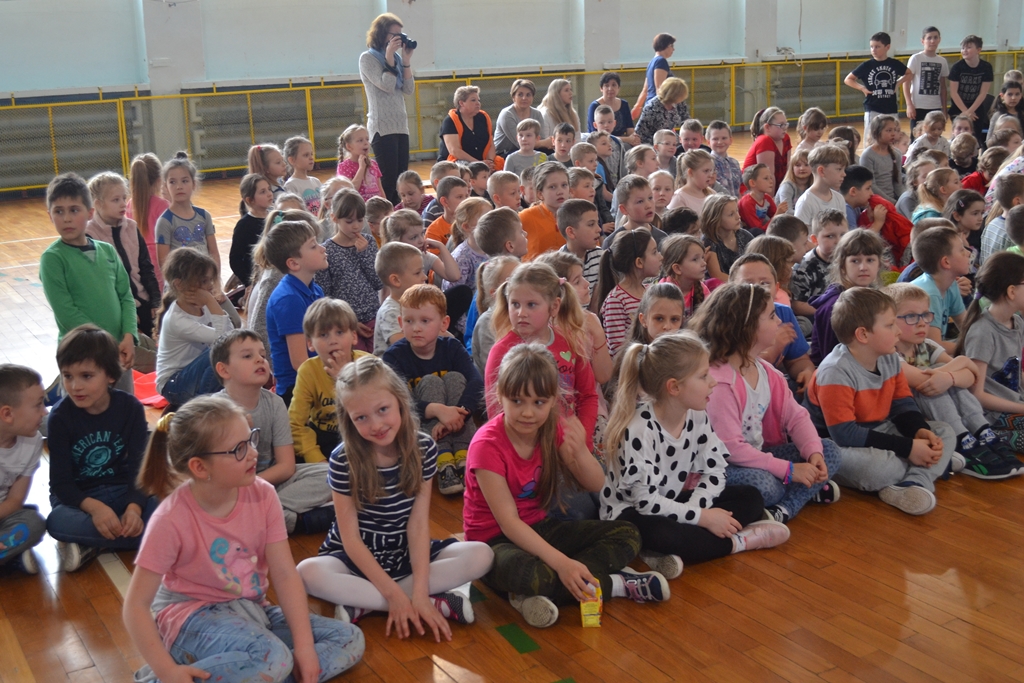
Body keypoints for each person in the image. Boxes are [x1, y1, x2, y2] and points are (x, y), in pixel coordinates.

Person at [125, 395, 364, 683]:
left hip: (252, 611)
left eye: (251, 439)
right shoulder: (170, 518)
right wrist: (168, 672)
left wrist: (304, 648)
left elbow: (285, 574)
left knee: (348, 638)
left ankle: (255, 673)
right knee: (272, 658)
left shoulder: (263, 494)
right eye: (239, 449)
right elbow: (135, 607)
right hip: (191, 618)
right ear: (200, 467)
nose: (253, 453)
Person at [466, 343, 667, 629]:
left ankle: (544, 590)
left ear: (553, 400)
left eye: (538, 402)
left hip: (540, 527)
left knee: (628, 534)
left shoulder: (553, 428)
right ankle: (615, 584)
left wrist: (581, 453)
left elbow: (598, 484)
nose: (527, 413)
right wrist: (562, 563)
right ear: (500, 395)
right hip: (493, 541)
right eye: (517, 401)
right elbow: (509, 524)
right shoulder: (487, 445)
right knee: (531, 574)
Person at [293, 354, 492, 630]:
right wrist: (396, 596)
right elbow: (350, 540)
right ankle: (429, 603)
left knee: (482, 555)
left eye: (383, 410)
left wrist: (419, 590)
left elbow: (418, 525)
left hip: (404, 548)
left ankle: (364, 603)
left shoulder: (424, 448)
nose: (376, 425)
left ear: (399, 401)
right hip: (355, 555)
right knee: (306, 572)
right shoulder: (342, 459)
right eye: (361, 417)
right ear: (349, 419)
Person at [602, 331, 790, 580]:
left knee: (751, 497)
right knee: (664, 533)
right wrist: (702, 518)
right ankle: (739, 542)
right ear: (674, 387)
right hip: (632, 513)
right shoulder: (639, 429)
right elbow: (646, 503)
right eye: (703, 376)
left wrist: (696, 510)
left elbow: (715, 472)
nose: (713, 382)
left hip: (672, 502)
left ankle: (672, 549)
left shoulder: (697, 414)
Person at [693, 283, 841, 523]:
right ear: (747, 327)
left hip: (758, 456)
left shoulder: (767, 372)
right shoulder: (720, 382)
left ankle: (782, 508)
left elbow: (797, 417)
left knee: (829, 451)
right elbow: (731, 449)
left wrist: (813, 452)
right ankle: (799, 495)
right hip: (720, 466)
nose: (779, 321)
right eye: (772, 316)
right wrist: (789, 471)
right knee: (765, 485)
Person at [805, 288, 954, 516]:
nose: (898, 331)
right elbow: (845, 434)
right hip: (832, 445)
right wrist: (908, 447)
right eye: (890, 325)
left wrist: (919, 430)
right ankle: (928, 466)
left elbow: (902, 403)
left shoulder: (889, 357)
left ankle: (915, 482)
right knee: (882, 469)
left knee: (944, 432)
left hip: (877, 430)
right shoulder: (835, 371)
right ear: (863, 335)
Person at [48, 325, 158, 571]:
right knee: (56, 521)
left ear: (110, 375)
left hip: (123, 490)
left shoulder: (130, 407)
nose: (75, 386)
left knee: (170, 501)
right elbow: (61, 484)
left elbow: (140, 469)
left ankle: (94, 545)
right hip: (81, 500)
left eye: (86, 376)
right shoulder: (60, 417)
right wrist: (95, 509)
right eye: (67, 376)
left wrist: (134, 508)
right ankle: (146, 538)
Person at [884, 283, 1020, 479]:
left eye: (926, 315)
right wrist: (961, 363)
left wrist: (950, 376)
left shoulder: (926, 346)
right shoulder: (889, 353)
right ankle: (960, 439)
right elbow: (923, 381)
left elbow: (971, 378)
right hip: (907, 419)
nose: (922, 323)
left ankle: (981, 429)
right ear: (890, 321)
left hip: (937, 411)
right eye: (911, 316)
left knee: (946, 378)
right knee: (931, 384)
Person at [40, 173, 138, 395]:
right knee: (82, 411)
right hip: (80, 356)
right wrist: (105, 345)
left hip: (118, 353)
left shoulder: (107, 251)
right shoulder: (53, 259)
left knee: (122, 407)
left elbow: (126, 297)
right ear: (50, 215)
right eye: (59, 211)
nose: (66, 218)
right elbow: (66, 312)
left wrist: (129, 335)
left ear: (90, 213)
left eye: (74, 210)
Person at [486, 263, 598, 450]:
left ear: (554, 307)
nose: (521, 313)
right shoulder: (501, 351)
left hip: (569, 444)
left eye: (531, 305)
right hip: (524, 448)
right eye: (515, 304)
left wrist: (582, 441)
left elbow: (588, 396)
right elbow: (496, 410)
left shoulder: (570, 342)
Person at [292, 298, 370, 470]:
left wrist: (344, 378)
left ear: (354, 336)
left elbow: (375, 410)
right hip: (325, 440)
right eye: (323, 335)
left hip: (363, 433)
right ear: (310, 343)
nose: (333, 341)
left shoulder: (369, 364)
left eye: (340, 332)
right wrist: (318, 462)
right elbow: (296, 424)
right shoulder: (308, 371)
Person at [155, 248, 236, 406]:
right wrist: (211, 301)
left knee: (230, 352)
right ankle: (202, 406)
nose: (210, 285)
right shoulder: (177, 319)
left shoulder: (202, 305)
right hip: (173, 384)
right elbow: (225, 341)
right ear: (179, 284)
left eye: (210, 280)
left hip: (194, 372)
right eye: (204, 281)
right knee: (219, 352)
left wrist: (210, 303)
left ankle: (219, 398)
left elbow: (232, 335)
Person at [86, 171, 161, 339]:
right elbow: (100, 283)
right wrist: (125, 312)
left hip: (144, 302)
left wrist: (156, 301)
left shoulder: (132, 227)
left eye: (124, 198)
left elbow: (146, 268)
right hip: (116, 308)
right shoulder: (89, 235)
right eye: (115, 200)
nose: (123, 204)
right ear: (98, 204)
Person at [265, 220, 329, 405]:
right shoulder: (289, 299)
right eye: (313, 246)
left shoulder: (314, 289)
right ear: (293, 263)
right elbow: (300, 362)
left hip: (317, 374)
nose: (322, 248)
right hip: (297, 388)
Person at [316, 190, 383, 352]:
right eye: (349, 221)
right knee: (354, 362)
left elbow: (378, 282)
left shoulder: (368, 242)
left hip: (373, 316)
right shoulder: (326, 250)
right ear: (334, 218)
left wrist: (364, 254)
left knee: (376, 359)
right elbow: (325, 294)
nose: (356, 226)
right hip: (345, 323)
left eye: (360, 220)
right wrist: (348, 321)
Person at [359, 12, 416, 206]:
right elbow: (387, 85)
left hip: (400, 126)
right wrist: (389, 56)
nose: (398, 39)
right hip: (382, 127)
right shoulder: (367, 59)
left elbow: (408, 89)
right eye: (395, 35)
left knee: (402, 179)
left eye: (401, 34)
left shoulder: (398, 59)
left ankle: (400, 214)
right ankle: (386, 216)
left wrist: (406, 60)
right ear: (382, 34)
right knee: (389, 180)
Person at [809, 229, 886, 365]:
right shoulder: (834, 305)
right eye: (855, 261)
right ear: (843, 266)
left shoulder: (877, 298)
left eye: (870, 260)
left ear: (879, 264)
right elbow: (831, 357)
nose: (863, 267)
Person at [0, 365, 47, 574]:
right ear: (7, 414)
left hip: (3, 515)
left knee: (33, 523)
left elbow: (15, 500)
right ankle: (10, 558)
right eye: (38, 405)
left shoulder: (33, 441)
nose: (45, 411)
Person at [593, 230, 663, 357]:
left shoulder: (650, 291)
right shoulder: (616, 300)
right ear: (639, 262)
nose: (660, 257)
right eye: (654, 252)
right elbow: (618, 351)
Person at [844, 32, 908, 138]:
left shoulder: (894, 64)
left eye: (877, 47)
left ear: (887, 47)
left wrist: (898, 83)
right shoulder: (867, 65)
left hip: (891, 107)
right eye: (871, 47)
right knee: (871, 135)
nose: (873, 49)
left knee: (893, 135)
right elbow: (848, 79)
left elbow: (909, 74)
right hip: (873, 106)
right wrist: (862, 88)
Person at [383, 208, 461, 288]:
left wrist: (441, 246)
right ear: (397, 241)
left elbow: (454, 276)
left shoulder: (424, 256)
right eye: (414, 237)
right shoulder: (390, 263)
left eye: (422, 233)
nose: (421, 240)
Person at [126, 152, 169, 289]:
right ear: (159, 180)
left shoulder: (129, 204)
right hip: (159, 259)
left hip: (136, 260)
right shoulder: (163, 205)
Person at [229, 174, 274, 287]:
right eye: (263, 192)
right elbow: (235, 259)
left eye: (269, 189)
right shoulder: (244, 225)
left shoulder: (276, 217)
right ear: (249, 200)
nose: (269, 194)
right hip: (258, 280)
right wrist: (248, 283)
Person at [903, 27, 949, 137]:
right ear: (922, 41)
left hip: (935, 106)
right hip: (918, 106)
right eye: (929, 38)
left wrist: (944, 109)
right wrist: (909, 104)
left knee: (934, 136)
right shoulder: (916, 58)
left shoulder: (942, 61)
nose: (932, 41)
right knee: (916, 137)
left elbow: (943, 87)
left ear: (939, 40)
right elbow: (906, 83)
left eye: (935, 38)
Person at [438, 86, 499, 169]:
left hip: (482, 161)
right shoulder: (450, 121)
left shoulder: (483, 117)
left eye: (478, 100)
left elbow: (491, 144)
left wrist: (490, 161)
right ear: (461, 103)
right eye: (473, 100)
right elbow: (454, 151)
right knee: (464, 167)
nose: (478, 103)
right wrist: (478, 163)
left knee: (501, 165)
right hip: (456, 162)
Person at [948, 35, 994, 144]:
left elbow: (983, 93)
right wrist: (965, 112)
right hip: (958, 107)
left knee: (974, 139)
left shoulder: (986, 67)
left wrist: (970, 111)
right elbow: (954, 93)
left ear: (978, 50)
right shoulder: (957, 67)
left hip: (976, 108)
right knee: (958, 138)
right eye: (963, 48)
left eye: (968, 47)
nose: (964, 50)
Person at [520, 162, 570, 259]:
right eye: (552, 187)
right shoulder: (525, 217)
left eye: (564, 185)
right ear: (540, 194)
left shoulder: (578, 216)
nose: (560, 192)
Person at [700, 193, 751, 281]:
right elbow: (717, 275)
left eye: (737, 211)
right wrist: (743, 283)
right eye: (731, 214)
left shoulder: (744, 235)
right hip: (723, 285)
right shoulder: (709, 240)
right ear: (716, 219)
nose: (738, 217)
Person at [794, 145, 849, 224]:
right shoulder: (806, 202)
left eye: (844, 169)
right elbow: (800, 231)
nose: (844, 174)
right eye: (839, 169)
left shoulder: (839, 199)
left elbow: (843, 228)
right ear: (821, 171)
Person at [494, 79, 550, 157]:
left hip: (531, 149)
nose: (524, 98)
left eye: (528, 95)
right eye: (520, 95)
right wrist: (545, 143)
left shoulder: (537, 114)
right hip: (505, 153)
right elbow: (520, 143)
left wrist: (545, 143)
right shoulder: (507, 115)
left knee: (550, 154)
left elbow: (541, 139)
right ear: (513, 97)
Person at [558, 198, 603, 290]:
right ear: (571, 232)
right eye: (591, 224)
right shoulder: (560, 265)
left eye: (598, 223)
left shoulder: (600, 255)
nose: (599, 229)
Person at [859, 115, 905, 203]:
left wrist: (903, 200)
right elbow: (872, 186)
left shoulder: (896, 153)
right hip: (875, 200)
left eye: (895, 130)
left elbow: (898, 183)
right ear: (876, 132)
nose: (893, 134)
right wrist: (892, 203)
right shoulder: (868, 155)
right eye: (889, 130)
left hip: (893, 200)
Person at [742, 107, 792, 188]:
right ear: (767, 127)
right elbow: (768, 178)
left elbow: (788, 169)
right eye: (781, 125)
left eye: (786, 124)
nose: (785, 128)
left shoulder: (785, 138)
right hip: (754, 190)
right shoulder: (764, 141)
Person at [586, 72, 639, 145]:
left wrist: (634, 139)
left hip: (623, 143)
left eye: (614, 85)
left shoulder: (624, 104)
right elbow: (596, 136)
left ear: (618, 88)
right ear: (601, 88)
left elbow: (630, 130)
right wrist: (627, 139)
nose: (610, 88)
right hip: (600, 144)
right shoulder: (594, 106)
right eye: (606, 85)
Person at [632, 33, 676, 119]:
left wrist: (637, 106)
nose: (673, 49)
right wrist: (667, 109)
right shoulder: (661, 61)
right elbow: (659, 88)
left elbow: (645, 90)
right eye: (672, 46)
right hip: (657, 108)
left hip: (649, 106)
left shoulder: (652, 62)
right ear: (665, 45)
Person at [336, 124, 385, 202]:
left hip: (376, 206)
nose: (366, 143)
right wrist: (361, 168)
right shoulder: (344, 166)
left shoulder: (373, 164)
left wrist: (386, 205)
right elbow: (350, 191)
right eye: (360, 140)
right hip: (359, 207)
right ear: (349, 146)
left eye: (367, 139)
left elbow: (380, 189)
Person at [634, 77, 690, 145]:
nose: (683, 99)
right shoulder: (652, 108)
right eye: (681, 96)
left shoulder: (680, 103)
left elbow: (686, 121)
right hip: (652, 142)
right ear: (674, 95)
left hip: (670, 139)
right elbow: (641, 133)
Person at [282, 135, 322, 215]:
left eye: (311, 154)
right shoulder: (291, 185)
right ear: (292, 160)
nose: (311, 158)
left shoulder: (316, 181)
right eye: (306, 155)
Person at [668, 150, 716, 214]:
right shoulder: (679, 198)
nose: (710, 175)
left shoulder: (711, 193)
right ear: (690, 172)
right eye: (706, 171)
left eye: (711, 171)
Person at [738, 164, 780, 235]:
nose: (771, 181)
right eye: (766, 178)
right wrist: (777, 214)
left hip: (762, 230)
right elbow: (757, 229)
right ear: (752, 183)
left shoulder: (767, 198)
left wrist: (779, 214)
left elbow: (776, 216)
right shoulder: (747, 203)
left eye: (771, 178)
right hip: (749, 234)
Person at [707, 120, 743, 197]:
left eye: (724, 138)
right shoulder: (706, 165)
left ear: (730, 140)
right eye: (715, 139)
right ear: (708, 142)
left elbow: (739, 189)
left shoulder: (735, 163)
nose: (720, 142)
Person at [775, 148, 812, 216]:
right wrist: (808, 215)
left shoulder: (813, 185)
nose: (802, 168)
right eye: (798, 165)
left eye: (806, 165)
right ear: (792, 168)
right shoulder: (787, 186)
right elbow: (787, 212)